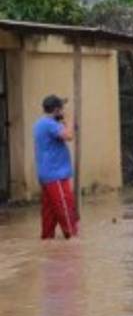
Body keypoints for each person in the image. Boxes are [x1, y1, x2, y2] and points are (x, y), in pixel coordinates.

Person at [33, 94, 78, 240]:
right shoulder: (50, 124)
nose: (63, 111)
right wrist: (69, 119)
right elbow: (69, 136)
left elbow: (65, 132)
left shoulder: (40, 124)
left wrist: (65, 123)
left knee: (49, 216)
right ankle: (74, 242)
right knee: (66, 212)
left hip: (46, 176)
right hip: (56, 176)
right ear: (57, 110)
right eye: (62, 109)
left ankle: (48, 244)